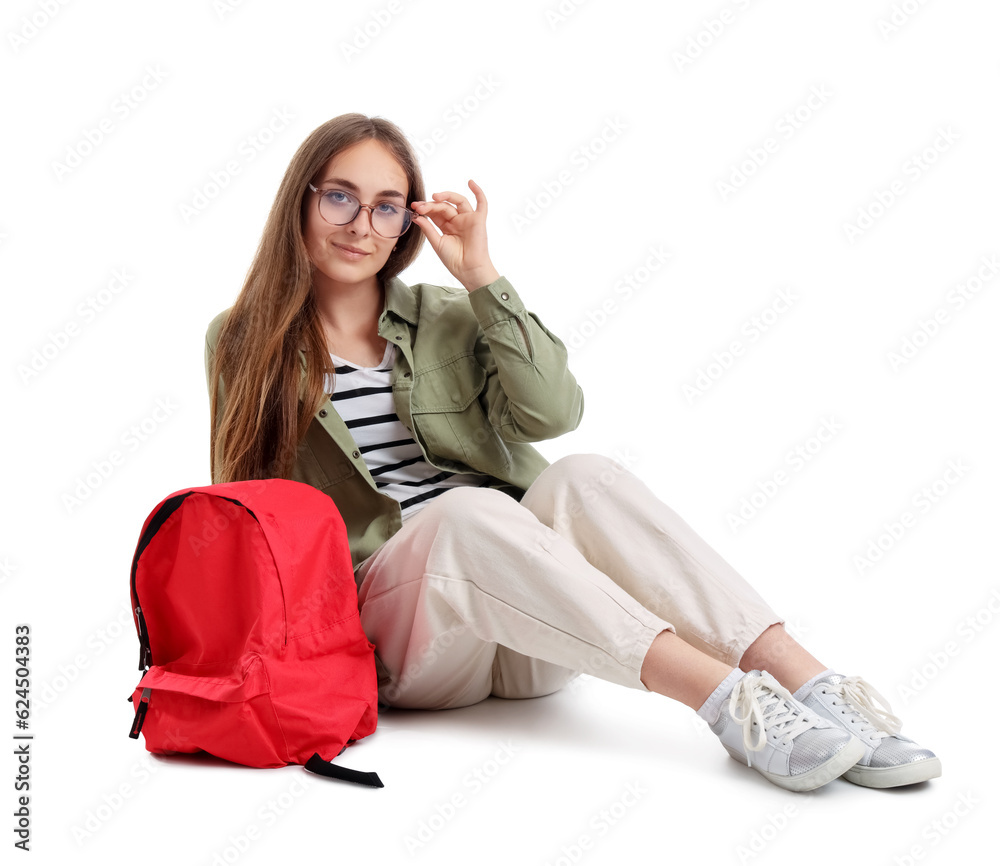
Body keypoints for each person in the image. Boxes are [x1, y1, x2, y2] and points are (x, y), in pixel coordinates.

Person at [204, 112, 940, 792]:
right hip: (404, 642)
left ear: (407, 223)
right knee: (467, 513)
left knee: (582, 474)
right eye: (340, 197)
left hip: (528, 628)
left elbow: (553, 413)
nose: (362, 223)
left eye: (387, 205)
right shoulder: (244, 340)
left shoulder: (449, 316)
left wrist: (482, 278)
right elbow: (239, 515)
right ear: (300, 201)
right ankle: (726, 703)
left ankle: (810, 685)